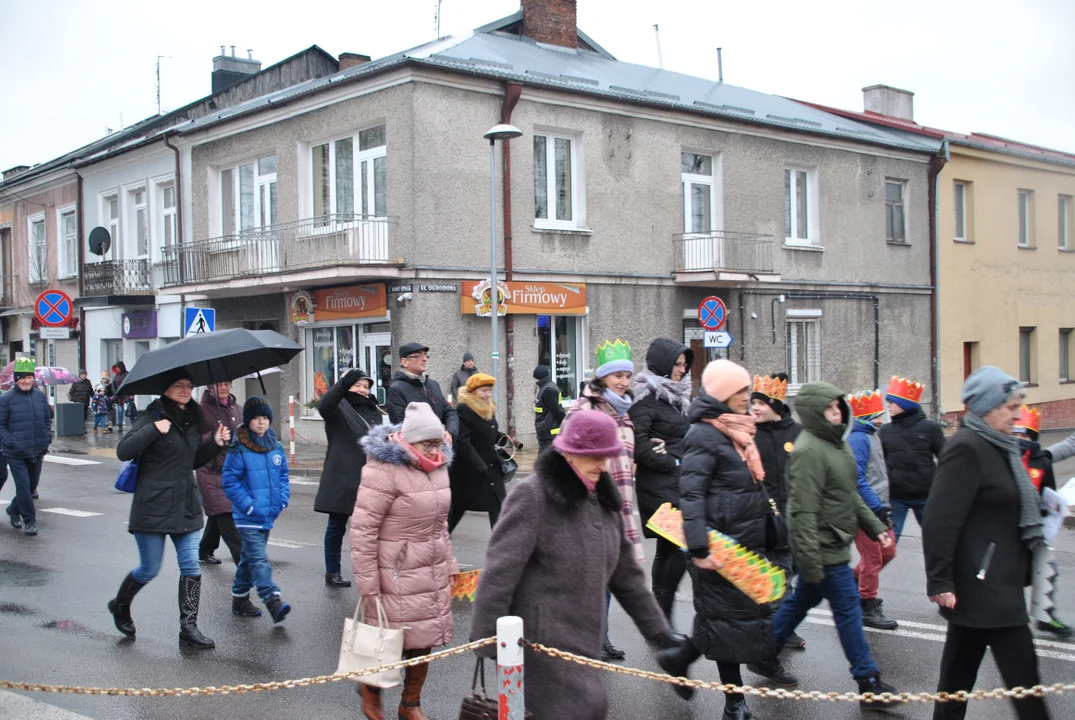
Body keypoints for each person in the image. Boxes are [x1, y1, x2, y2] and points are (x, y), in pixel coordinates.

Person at [470, 409, 683, 720]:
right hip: (540, 643)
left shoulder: (606, 501)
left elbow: (628, 576)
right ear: (568, 452)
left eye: (607, 455)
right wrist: (489, 638)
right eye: (592, 455)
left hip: (586, 641)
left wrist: (660, 632)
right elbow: (501, 569)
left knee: (590, 707)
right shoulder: (533, 496)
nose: (602, 464)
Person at [752, 381, 901, 709]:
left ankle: (762, 655)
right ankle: (868, 682)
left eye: (838, 407)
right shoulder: (808, 451)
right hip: (821, 547)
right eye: (829, 409)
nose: (836, 413)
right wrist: (809, 558)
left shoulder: (837, 445)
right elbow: (801, 510)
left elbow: (849, 494)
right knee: (848, 612)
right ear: (815, 412)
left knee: (796, 605)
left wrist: (875, 527)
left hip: (831, 543)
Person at [923, 367, 1050, 720]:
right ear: (987, 407)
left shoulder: (1002, 446)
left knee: (956, 680)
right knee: (1025, 684)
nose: (1017, 414)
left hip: (991, 581)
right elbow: (939, 518)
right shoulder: (967, 448)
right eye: (1010, 406)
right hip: (986, 588)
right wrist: (939, 580)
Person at [656, 359, 779, 718]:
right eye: (740, 391)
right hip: (716, 545)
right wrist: (698, 546)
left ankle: (680, 657)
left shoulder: (737, 430)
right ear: (724, 393)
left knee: (728, 621)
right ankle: (734, 704)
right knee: (726, 623)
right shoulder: (704, 434)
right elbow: (690, 495)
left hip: (743, 541)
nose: (747, 397)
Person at [108, 369, 231, 649]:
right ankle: (120, 605)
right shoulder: (151, 416)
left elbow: (190, 460)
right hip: (153, 504)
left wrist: (215, 443)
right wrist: (153, 430)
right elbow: (123, 451)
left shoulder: (193, 419)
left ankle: (188, 627)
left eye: (189, 385)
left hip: (185, 503)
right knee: (149, 568)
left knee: (190, 566)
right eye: (179, 385)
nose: (186, 390)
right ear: (166, 388)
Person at [351, 402, 458, 720]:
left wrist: (450, 563)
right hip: (394, 570)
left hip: (431, 565)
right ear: (408, 440)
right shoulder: (382, 470)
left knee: (423, 637)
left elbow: (441, 524)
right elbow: (363, 531)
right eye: (428, 443)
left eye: (438, 443)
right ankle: (371, 696)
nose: (435, 450)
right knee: (386, 638)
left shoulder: (438, 466)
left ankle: (411, 703)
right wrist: (369, 585)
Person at [565, 338, 640, 660]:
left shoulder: (625, 414)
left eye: (627, 376)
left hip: (617, 505)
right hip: (589, 505)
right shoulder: (585, 409)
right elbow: (565, 457)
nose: (623, 382)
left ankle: (598, 637)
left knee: (606, 575)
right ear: (602, 377)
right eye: (617, 376)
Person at [628, 337, 693, 625]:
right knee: (680, 549)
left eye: (684, 364)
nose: (682, 370)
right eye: (677, 364)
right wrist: (674, 460)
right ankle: (661, 618)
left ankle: (658, 616)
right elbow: (640, 445)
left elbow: (682, 437)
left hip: (674, 483)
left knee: (668, 549)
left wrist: (678, 456)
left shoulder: (676, 396)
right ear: (663, 364)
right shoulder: (646, 396)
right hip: (657, 484)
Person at [221, 396, 292, 622]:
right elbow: (230, 481)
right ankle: (272, 599)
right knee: (259, 559)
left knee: (248, 559)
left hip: (268, 513)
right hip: (247, 516)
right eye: (256, 418)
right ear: (248, 420)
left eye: (265, 418)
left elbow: (283, 477)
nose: (261, 423)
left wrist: (281, 500)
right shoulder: (238, 446)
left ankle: (239, 598)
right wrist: (249, 506)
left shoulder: (275, 445)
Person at [750, 372, 804, 650]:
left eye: (761, 403)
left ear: (776, 405)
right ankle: (780, 628)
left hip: (793, 517)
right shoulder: (749, 434)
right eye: (753, 403)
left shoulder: (797, 434)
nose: (755, 408)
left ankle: (776, 623)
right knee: (777, 571)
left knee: (789, 570)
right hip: (762, 517)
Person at [315, 367, 382, 588]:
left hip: (371, 478)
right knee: (337, 526)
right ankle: (332, 571)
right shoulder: (338, 407)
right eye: (358, 385)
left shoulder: (374, 410)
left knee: (374, 529)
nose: (363, 390)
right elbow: (325, 404)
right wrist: (344, 382)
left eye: (366, 386)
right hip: (343, 476)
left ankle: (374, 571)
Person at [1013, 405, 1072, 638]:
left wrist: (1050, 519)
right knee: (1007, 577)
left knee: (1048, 570)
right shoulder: (1003, 458)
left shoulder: (1042, 463)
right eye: (1015, 435)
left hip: (1034, 531)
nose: (1019, 440)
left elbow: (1049, 496)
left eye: (1024, 435)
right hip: (1007, 530)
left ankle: (1044, 615)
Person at [847, 391, 898, 630]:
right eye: (877, 416)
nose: (881, 419)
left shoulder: (872, 436)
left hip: (880, 506)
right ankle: (867, 603)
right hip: (866, 510)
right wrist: (876, 508)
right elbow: (857, 478)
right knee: (873, 557)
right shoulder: (858, 439)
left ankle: (854, 580)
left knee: (889, 552)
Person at [878, 375, 945, 540]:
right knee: (888, 543)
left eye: (891, 402)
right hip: (896, 497)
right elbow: (880, 463)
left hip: (925, 495)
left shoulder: (930, 428)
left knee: (937, 540)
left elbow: (945, 458)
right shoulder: (885, 431)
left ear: (904, 404)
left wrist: (942, 488)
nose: (888, 406)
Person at [449, 373, 508, 532]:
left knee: (499, 506)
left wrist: (502, 437)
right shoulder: (464, 411)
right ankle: (439, 543)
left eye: (489, 391)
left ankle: (502, 548)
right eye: (484, 391)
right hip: (469, 470)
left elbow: (487, 431)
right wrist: (480, 467)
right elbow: (463, 443)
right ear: (473, 391)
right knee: (457, 508)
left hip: (490, 467)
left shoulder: (488, 408)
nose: (487, 394)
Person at [0, 357, 51, 536]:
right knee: (23, 485)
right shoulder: (6, 399)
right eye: (22, 377)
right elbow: (1, 426)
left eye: (29, 377)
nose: (26, 381)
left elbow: (46, 419)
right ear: (16, 378)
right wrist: (12, 443)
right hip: (15, 452)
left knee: (31, 485)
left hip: (37, 449)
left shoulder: (39, 396)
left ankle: (14, 509)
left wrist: (47, 438)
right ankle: (29, 520)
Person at [196, 381, 244, 566]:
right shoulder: (201, 410)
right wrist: (212, 437)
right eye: (218, 384)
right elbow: (195, 439)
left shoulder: (237, 409)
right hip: (210, 470)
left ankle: (205, 549)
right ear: (210, 387)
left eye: (227, 384)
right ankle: (245, 564)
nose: (223, 387)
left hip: (232, 470)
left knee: (219, 512)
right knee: (226, 514)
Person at [386, 342, 458, 443]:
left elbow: (450, 412)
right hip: (416, 451)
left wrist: (450, 433)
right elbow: (401, 427)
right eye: (418, 356)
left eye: (425, 355)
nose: (424, 359)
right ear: (404, 362)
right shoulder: (396, 389)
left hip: (439, 447)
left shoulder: (433, 385)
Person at [533, 365, 565, 452]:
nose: (535, 380)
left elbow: (557, 410)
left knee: (547, 459)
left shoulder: (548, 389)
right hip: (546, 430)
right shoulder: (546, 387)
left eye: (536, 378)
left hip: (548, 431)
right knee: (546, 459)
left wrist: (565, 423)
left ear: (539, 377)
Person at [110, 361, 131, 433]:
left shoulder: (127, 374)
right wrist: (115, 393)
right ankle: (120, 426)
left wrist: (131, 395)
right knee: (120, 411)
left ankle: (133, 424)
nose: (117, 369)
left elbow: (130, 384)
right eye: (116, 368)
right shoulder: (116, 375)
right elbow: (113, 384)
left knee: (130, 410)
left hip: (127, 395)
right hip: (119, 396)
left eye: (118, 368)